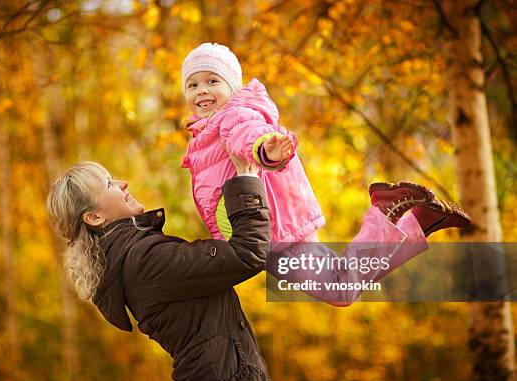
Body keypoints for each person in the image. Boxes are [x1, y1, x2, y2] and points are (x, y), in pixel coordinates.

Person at [180, 42, 471, 304]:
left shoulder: (235, 116)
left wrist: (265, 148)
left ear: (232, 87)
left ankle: (388, 211)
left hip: (277, 233)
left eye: (212, 81)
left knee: (340, 289)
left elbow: (250, 135)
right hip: (266, 236)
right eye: (192, 85)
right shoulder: (205, 135)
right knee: (341, 283)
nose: (202, 90)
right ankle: (418, 224)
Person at [46, 158, 282, 381]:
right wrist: (246, 177)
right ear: (93, 217)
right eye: (109, 184)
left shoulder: (134, 256)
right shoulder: (143, 260)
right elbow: (248, 253)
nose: (123, 184)